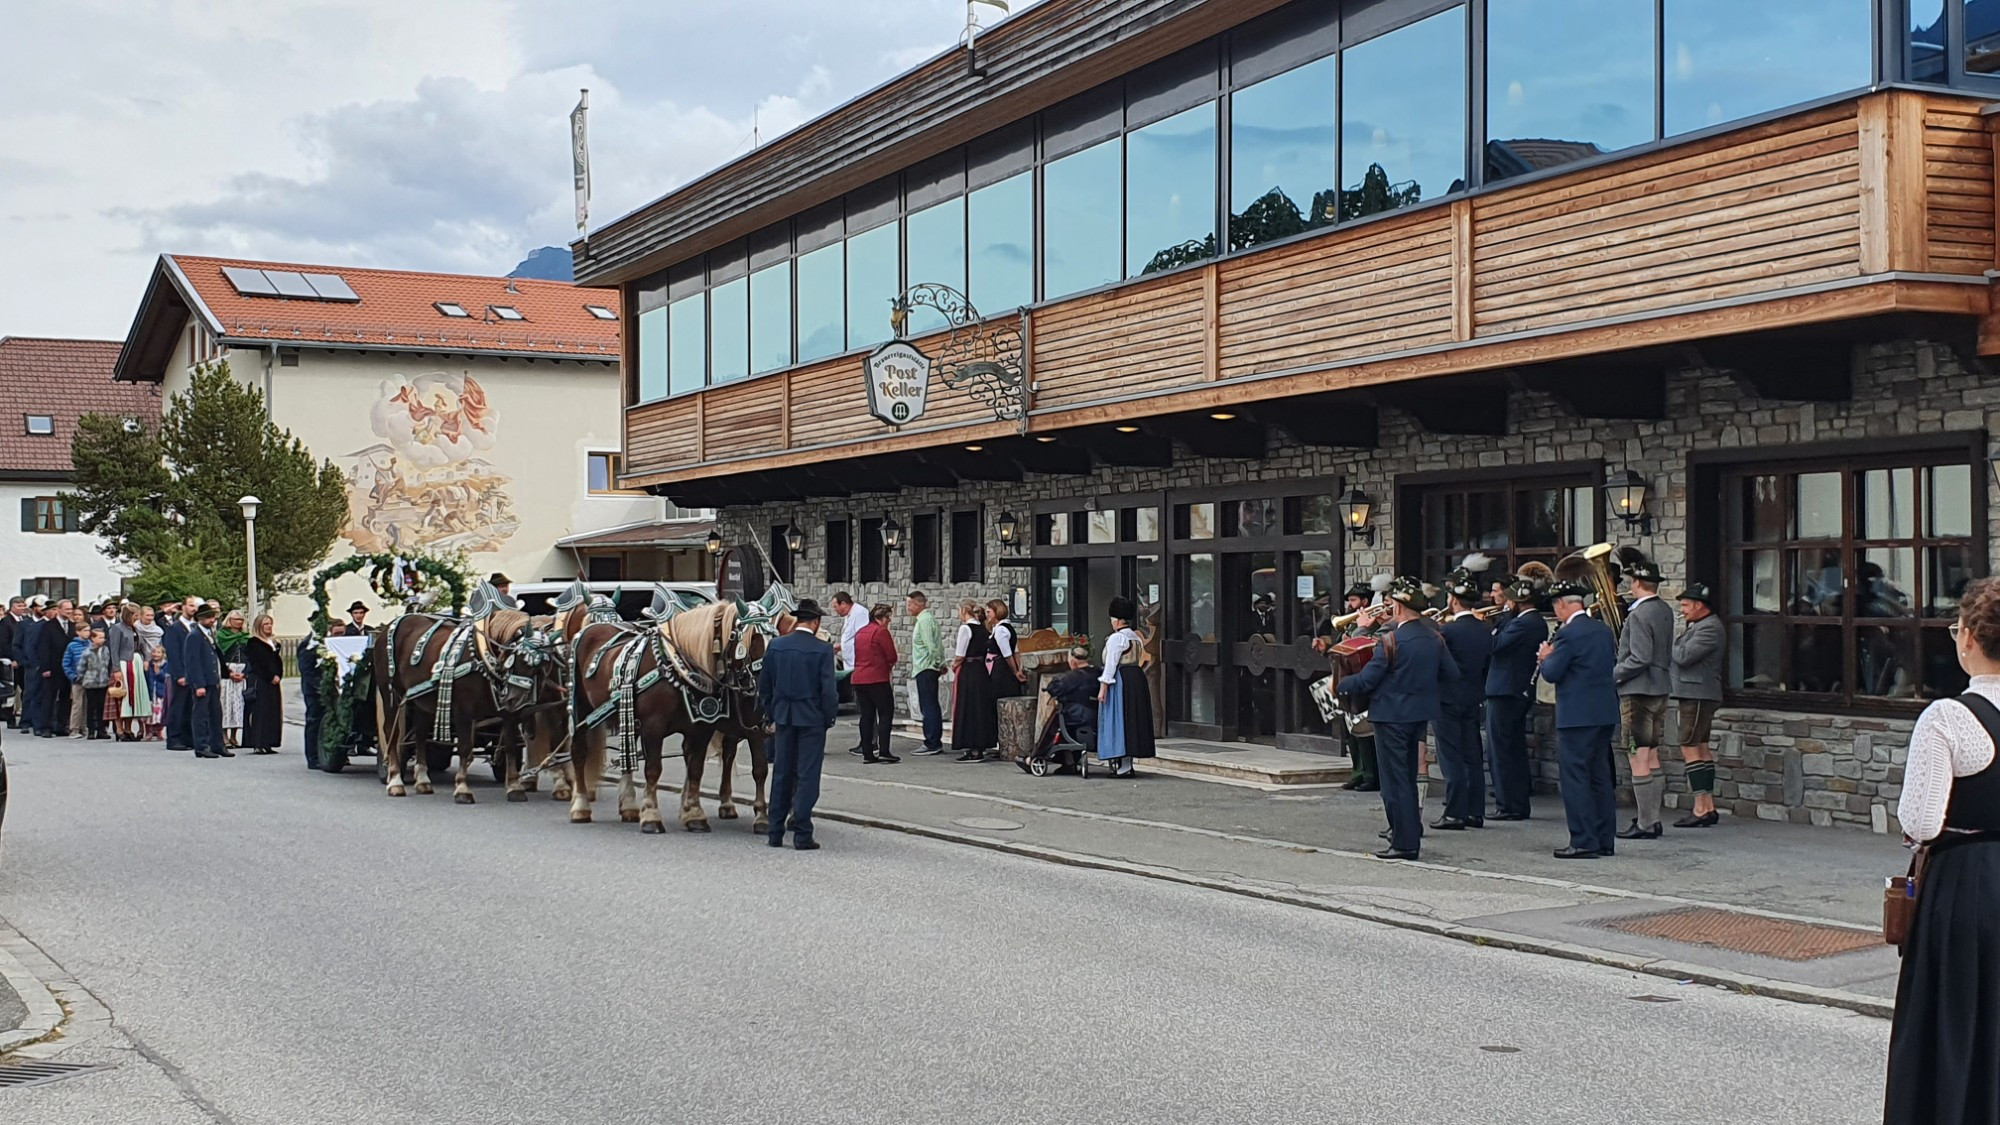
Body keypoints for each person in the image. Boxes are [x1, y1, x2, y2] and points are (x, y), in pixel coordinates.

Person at [1885, 576, 2000, 1122]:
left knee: (1953, 1024)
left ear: (1971, 638)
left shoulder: (1950, 717)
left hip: (1967, 884)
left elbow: (1922, 822)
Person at [1338, 577, 1458, 859]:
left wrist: (1342, 684)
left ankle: (1404, 842)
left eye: (1391, 605)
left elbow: (1367, 680)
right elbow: (1452, 675)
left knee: (1395, 782)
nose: (1389, 609)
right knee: (1407, 776)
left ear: (1401, 608)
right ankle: (1409, 833)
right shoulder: (1434, 637)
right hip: (1419, 714)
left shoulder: (1391, 639)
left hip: (1390, 715)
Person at [1537, 581, 1620, 859]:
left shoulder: (1568, 634)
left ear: (1562, 604)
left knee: (1575, 777)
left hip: (1576, 715)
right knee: (1600, 776)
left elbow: (1553, 672)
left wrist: (1544, 658)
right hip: (1603, 711)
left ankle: (1584, 840)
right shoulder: (1602, 629)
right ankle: (1604, 838)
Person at [757, 598, 838, 851]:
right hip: (811, 717)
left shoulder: (777, 645)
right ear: (815, 622)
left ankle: (775, 832)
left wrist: (772, 713)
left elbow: (765, 686)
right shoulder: (822, 649)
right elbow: (828, 691)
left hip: (784, 716)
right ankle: (802, 832)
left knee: (782, 773)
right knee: (807, 775)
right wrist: (828, 717)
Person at [1614, 559, 1675, 840]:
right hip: (1660, 688)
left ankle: (1646, 822)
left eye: (1630, 581)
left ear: (1637, 583)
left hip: (1637, 692)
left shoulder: (1638, 614)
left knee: (1637, 753)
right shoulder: (1664, 609)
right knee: (1651, 754)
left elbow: (1639, 657)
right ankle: (1653, 818)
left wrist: (1613, 674)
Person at [1434, 568, 1494, 830]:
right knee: (1472, 754)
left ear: (1454, 600)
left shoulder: (1448, 631)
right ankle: (1474, 811)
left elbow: (1438, 664)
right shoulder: (1485, 629)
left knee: (1451, 757)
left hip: (1447, 698)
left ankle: (1455, 812)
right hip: (1474, 696)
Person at [1485, 576, 1548, 821]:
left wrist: (1499, 621)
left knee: (1502, 750)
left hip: (1507, 690)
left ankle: (1509, 804)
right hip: (1513, 689)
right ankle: (1515, 801)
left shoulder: (1524, 623)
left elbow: (1495, 644)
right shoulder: (1529, 621)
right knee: (1512, 748)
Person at [1316, 583, 1382, 792]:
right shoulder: (1351, 623)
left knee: (1363, 732)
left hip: (1361, 681)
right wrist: (1325, 647)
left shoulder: (1372, 623)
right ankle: (1358, 772)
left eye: (1354, 601)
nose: (1350, 605)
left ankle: (1370, 775)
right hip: (1346, 680)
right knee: (1351, 733)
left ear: (1365, 601)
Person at [1670, 583, 1725, 828]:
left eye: (1685, 605)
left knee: (1689, 746)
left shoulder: (1709, 628)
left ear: (1699, 605)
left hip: (1698, 693)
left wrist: (1664, 642)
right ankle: (1708, 805)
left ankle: (1701, 807)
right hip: (1694, 692)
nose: (1682, 610)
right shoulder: (1699, 626)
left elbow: (1683, 657)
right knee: (1700, 747)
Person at [1095, 596, 1156, 778]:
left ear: (1119, 620)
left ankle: (1121, 763)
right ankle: (1126, 764)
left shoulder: (1117, 638)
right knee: (1132, 720)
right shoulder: (1135, 637)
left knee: (1118, 720)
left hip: (1120, 679)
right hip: (1136, 677)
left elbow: (1111, 665)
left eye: (1113, 618)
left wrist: (1103, 687)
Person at [851, 602, 900, 765]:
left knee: (866, 716)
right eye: (888, 618)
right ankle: (884, 750)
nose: (889, 621)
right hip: (877, 678)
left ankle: (867, 752)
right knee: (885, 713)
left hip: (859, 678)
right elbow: (891, 655)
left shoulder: (860, 632)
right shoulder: (881, 632)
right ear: (881, 618)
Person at [950, 599, 998, 762]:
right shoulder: (983, 628)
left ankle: (972, 746)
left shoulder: (966, 628)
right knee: (980, 707)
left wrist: (954, 664)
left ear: (964, 611)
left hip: (969, 669)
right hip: (981, 670)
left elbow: (960, 653)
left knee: (968, 707)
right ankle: (981, 744)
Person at [184, 603, 232, 758]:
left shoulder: (210, 633)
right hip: (203, 682)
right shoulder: (194, 636)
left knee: (216, 714)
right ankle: (201, 746)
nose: (213, 620)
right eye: (210, 617)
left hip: (212, 680)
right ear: (201, 618)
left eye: (214, 617)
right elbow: (193, 662)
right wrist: (198, 684)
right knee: (201, 715)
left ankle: (217, 745)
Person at [906, 592, 946, 755]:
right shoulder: (924, 620)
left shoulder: (925, 621)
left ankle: (932, 741)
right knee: (929, 704)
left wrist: (937, 663)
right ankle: (932, 740)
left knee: (928, 705)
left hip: (926, 667)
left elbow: (932, 646)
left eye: (909, 604)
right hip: (926, 667)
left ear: (918, 604)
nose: (908, 607)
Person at [242, 614, 285, 755]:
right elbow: (258, 664)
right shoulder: (254, 643)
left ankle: (269, 741)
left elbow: (276, 661)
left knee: (272, 711)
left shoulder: (272, 642)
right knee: (261, 711)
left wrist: (279, 675)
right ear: (259, 625)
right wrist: (270, 676)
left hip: (274, 681)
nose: (269, 626)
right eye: (266, 624)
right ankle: (259, 742)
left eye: (270, 624)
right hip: (261, 680)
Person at [831, 591, 867, 756]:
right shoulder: (849, 616)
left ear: (843, 603)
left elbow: (861, 637)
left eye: (836, 606)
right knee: (861, 705)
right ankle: (866, 740)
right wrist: (840, 647)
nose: (835, 610)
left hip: (858, 665)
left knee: (864, 706)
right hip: (850, 665)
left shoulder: (859, 613)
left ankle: (868, 741)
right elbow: (850, 639)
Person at [1046, 646, 1100, 744]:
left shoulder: (1072, 677)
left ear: (1073, 662)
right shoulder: (1099, 672)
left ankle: (1036, 754)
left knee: (1053, 721)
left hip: (1079, 716)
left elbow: (1053, 688)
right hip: (1098, 713)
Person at [163, 597, 198, 752]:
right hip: (181, 672)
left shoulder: (196, 627)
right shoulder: (175, 628)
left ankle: (188, 737)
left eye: (195, 606)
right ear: (183, 607)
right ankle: (174, 738)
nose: (193, 609)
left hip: (194, 673)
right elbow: (173, 653)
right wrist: (179, 674)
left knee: (190, 706)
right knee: (178, 705)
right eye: (190, 605)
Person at [39, 599, 75, 738]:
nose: (69, 612)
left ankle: (61, 725)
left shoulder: (72, 626)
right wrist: (45, 667)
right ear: (59, 610)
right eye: (66, 609)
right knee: (50, 697)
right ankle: (45, 726)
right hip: (53, 667)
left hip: (68, 668)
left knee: (66, 697)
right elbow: (43, 648)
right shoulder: (48, 626)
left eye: (70, 609)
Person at [217, 609, 250, 750]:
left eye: (241, 620)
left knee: (238, 704)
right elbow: (219, 656)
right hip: (227, 672)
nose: (239, 622)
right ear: (229, 620)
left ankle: (234, 736)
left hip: (241, 671)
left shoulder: (245, 637)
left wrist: (245, 673)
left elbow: (250, 656)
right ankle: (224, 736)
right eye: (236, 619)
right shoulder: (222, 636)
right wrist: (229, 672)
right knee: (226, 704)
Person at [986, 600, 1027, 701]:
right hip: (1004, 668)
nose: (987, 615)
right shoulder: (1007, 627)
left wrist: (1016, 671)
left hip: (1001, 670)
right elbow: (1016, 651)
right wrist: (1019, 668)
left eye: (989, 612)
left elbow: (1008, 654)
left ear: (997, 612)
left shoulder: (1001, 630)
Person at [79, 628, 112, 740]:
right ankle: (91, 730)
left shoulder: (106, 650)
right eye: (100, 637)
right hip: (91, 682)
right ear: (92, 638)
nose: (102, 639)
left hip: (103, 681)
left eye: (103, 637)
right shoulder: (87, 651)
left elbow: (107, 664)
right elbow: (81, 666)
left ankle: (102, 730)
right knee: (91, 707)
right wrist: (81, 678)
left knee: (101, 707)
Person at [298, 631, 323, 769]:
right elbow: (305, 669)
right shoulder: (308, 645)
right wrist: (318, 685)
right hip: (313, 690)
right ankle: (312, 758)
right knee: (313, 721)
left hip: (327, 689)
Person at [62, 623, 90, 738]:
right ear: (78, 632)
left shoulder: (91, 645)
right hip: (77, 679)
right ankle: (74, 728)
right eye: (84, 630)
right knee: (77, 704)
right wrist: (73, 676)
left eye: (88, 630)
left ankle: (83, 727)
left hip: (89, 679)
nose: (87, 633)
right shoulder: (72, 646)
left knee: (86, 704)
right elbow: (66, 663)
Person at [0, 597, 23, 729]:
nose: (22, 608)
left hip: (21, 661)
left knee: (24, 689)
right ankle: (9, 718)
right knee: (10, 691)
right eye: (19, 606)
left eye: (23, 605)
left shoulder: (23, 620)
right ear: (13, 606)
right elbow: (4, 642)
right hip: (10, 662)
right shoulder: (6, 622)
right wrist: (12, 658)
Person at [143, 644, 169, 741]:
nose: (156, 654)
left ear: (163, 654)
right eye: (154, 652)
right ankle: (149, 731)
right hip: (150, 693)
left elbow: (166, 678)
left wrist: (159, 672)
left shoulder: (166, 665)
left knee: (160, 714)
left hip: (160, 693)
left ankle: (159, 731)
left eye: (158, 652)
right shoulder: (149, 664)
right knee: (149, 714)